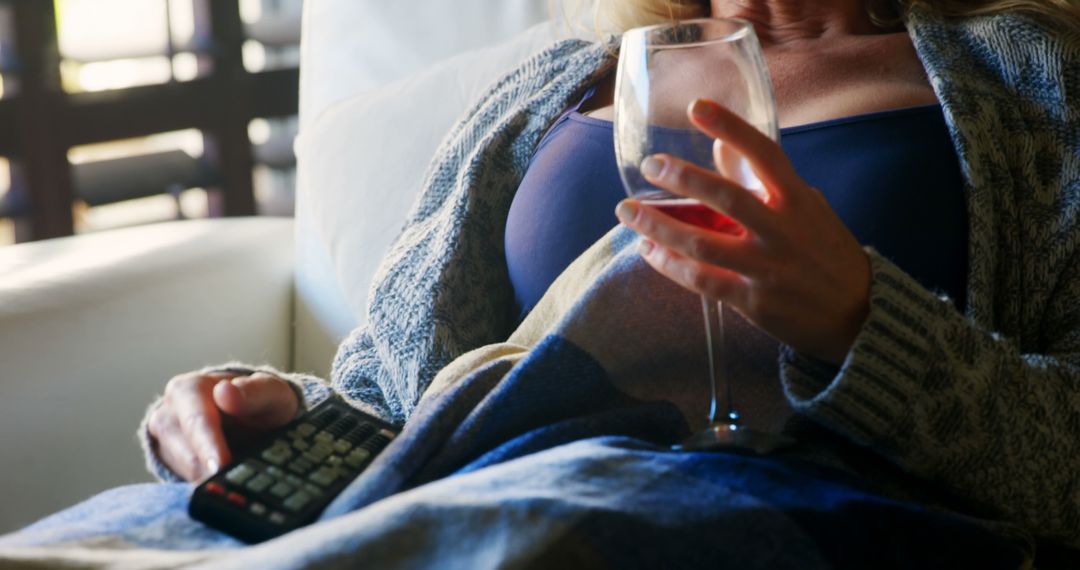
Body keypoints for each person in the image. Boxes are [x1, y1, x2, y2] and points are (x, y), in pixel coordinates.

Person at [5, 0, 1079, 566]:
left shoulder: (1035, 81)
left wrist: (858, 323)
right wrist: (276, 414)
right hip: (470, 485)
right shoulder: (554, 82)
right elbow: (397, 402)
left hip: (770, 507)